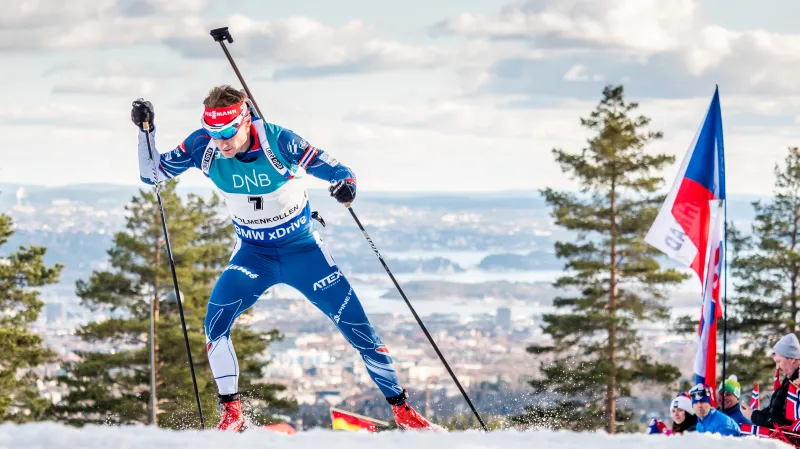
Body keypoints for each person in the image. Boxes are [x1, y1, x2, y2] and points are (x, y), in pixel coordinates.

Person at [130, 86, 437, 432]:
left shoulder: (279, 142)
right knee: (215, 324)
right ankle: (232, 415)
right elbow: (151, 175)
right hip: (253, 255)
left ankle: (403, 411)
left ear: (246, 120)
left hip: (303, 252)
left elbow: (336, 168)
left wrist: (344, 185)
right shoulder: (203, 146)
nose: (222, 142)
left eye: (229, 132)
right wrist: (146, 131)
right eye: (215, 133)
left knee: (358, 327)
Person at [741, 333, 800, 428]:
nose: (777, 368)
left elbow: (782, 424)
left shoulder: (796, 386)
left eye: (779, 362)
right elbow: (774, 412)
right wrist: (753, 414)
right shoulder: (788, 381)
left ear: (792, 359)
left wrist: (753, 415)